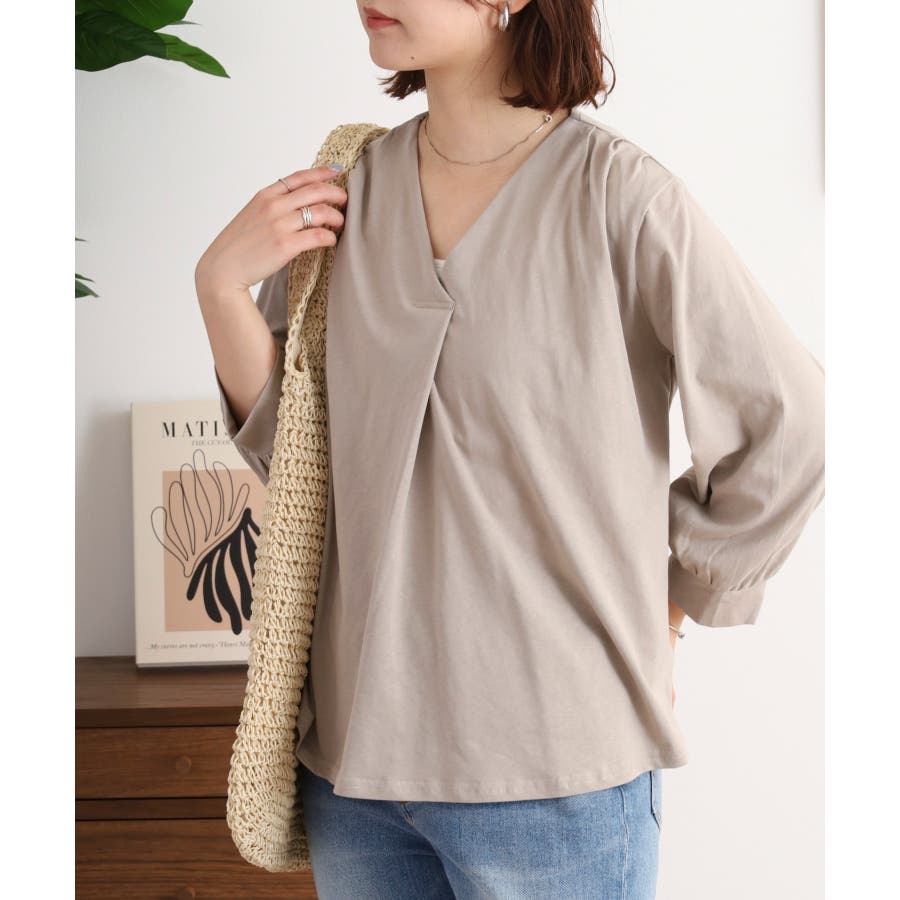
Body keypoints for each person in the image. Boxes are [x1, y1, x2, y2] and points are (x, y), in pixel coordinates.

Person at [195, 2, 825, 897]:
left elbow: (790, 422)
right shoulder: (348, 191)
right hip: (357, 773)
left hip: (555, 775)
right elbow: (300, 464)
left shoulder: (621, 197)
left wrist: (672, 609)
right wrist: (220, 287)